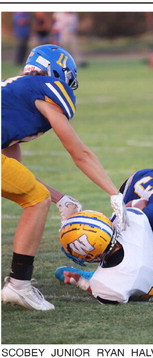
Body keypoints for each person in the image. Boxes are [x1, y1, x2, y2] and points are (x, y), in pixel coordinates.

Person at [1, 44, 128, 311]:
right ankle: (19, 285)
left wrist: (61, 199)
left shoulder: (13, 99)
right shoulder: (46, 87)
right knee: (37, 200)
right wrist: (113, 193)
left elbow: (17, 177)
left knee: (35, 196)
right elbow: (78, 152)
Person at [55, 209, 153, 304]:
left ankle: (86, 275)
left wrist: (81, 282)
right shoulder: (132, 222)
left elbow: (104, 296)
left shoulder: (104, 284)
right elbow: (138, 205)